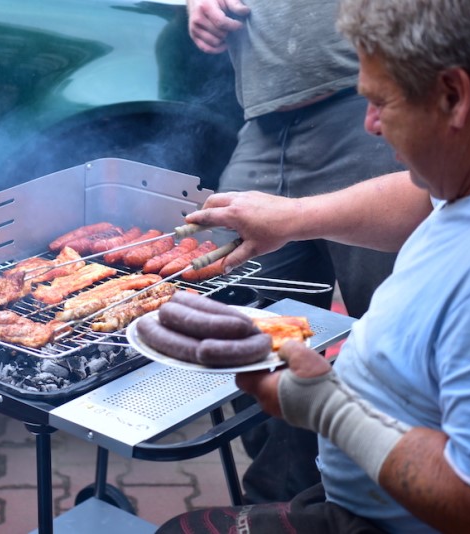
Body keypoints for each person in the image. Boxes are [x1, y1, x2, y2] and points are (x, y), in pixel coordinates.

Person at [158, 0, 470, 532]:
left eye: (379, 102)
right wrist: (292, 217)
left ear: (454, 96)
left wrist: (329, 409)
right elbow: (415, 199)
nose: (369, 125)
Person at [185, 0, 406, 504]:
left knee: (391, 333)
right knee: (245, 328)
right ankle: (290, 504)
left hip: (362, 104)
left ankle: (387, 505)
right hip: (263, 122)